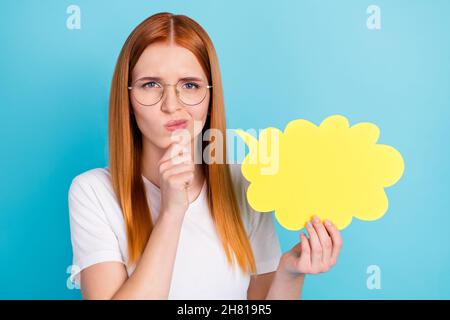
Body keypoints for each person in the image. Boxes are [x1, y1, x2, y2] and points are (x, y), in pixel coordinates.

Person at [68, 12, 342, 300]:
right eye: (151, 84)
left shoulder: (244, 184)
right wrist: (172, 213)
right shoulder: (94, 192)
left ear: (211, 96)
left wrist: (289, 274)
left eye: (190, 85)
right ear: (127, 97)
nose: (172, 105)